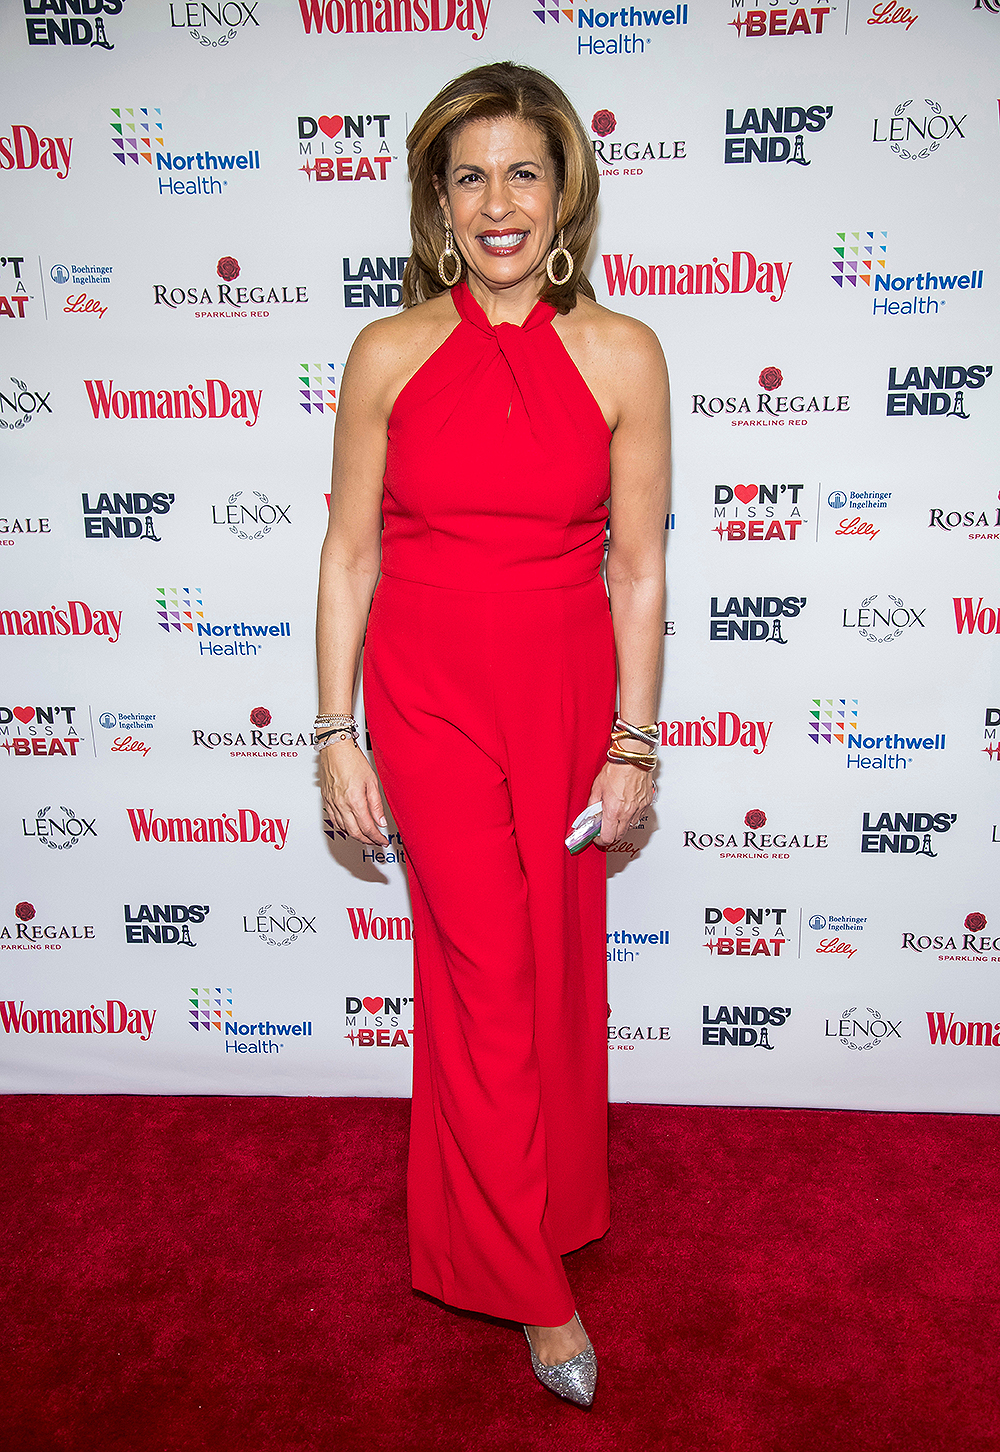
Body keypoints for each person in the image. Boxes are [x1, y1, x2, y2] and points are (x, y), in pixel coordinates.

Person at [316, 60, 669, 1407]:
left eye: (523, 169)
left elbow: (637, 570)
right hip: (429, 697)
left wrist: (635, 745)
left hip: (570, 690)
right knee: (484, 984)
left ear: (565, 185)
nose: (497, 201)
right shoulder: (390, 354)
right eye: (469, 176)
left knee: (556, 970)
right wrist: (333, 733)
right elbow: (350, 553)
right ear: (438, 202)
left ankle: (538, 1202)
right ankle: (534, 1291)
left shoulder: (626, 354)